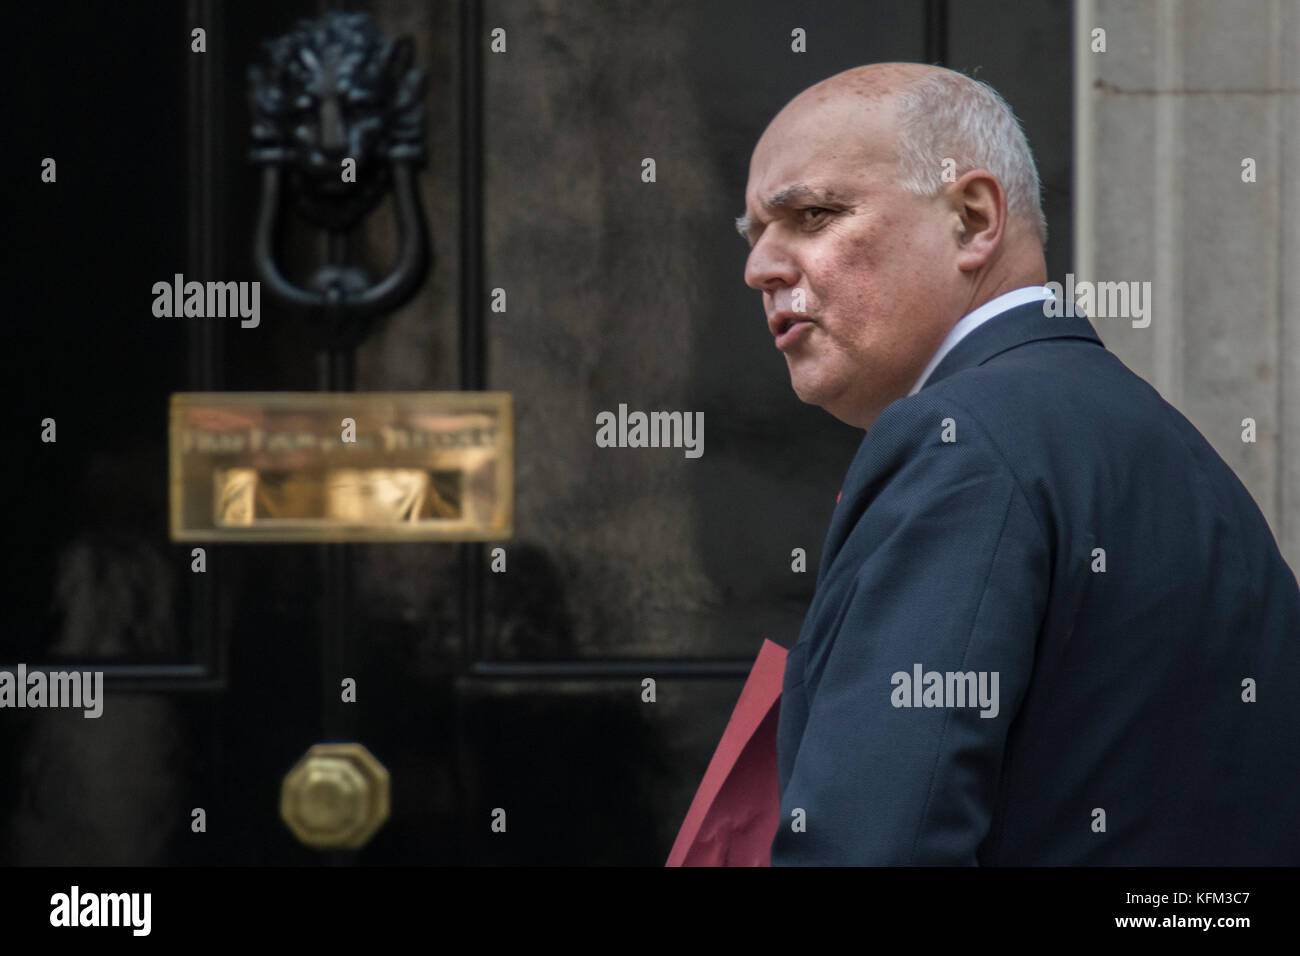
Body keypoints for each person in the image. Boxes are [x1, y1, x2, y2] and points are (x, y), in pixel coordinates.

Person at [738, 62, 1300, 865]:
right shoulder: (1166, 446)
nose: (761, 267)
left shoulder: (957, 440)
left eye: (814, 215)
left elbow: (878, 847)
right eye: (754, 234)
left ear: (972, 219)